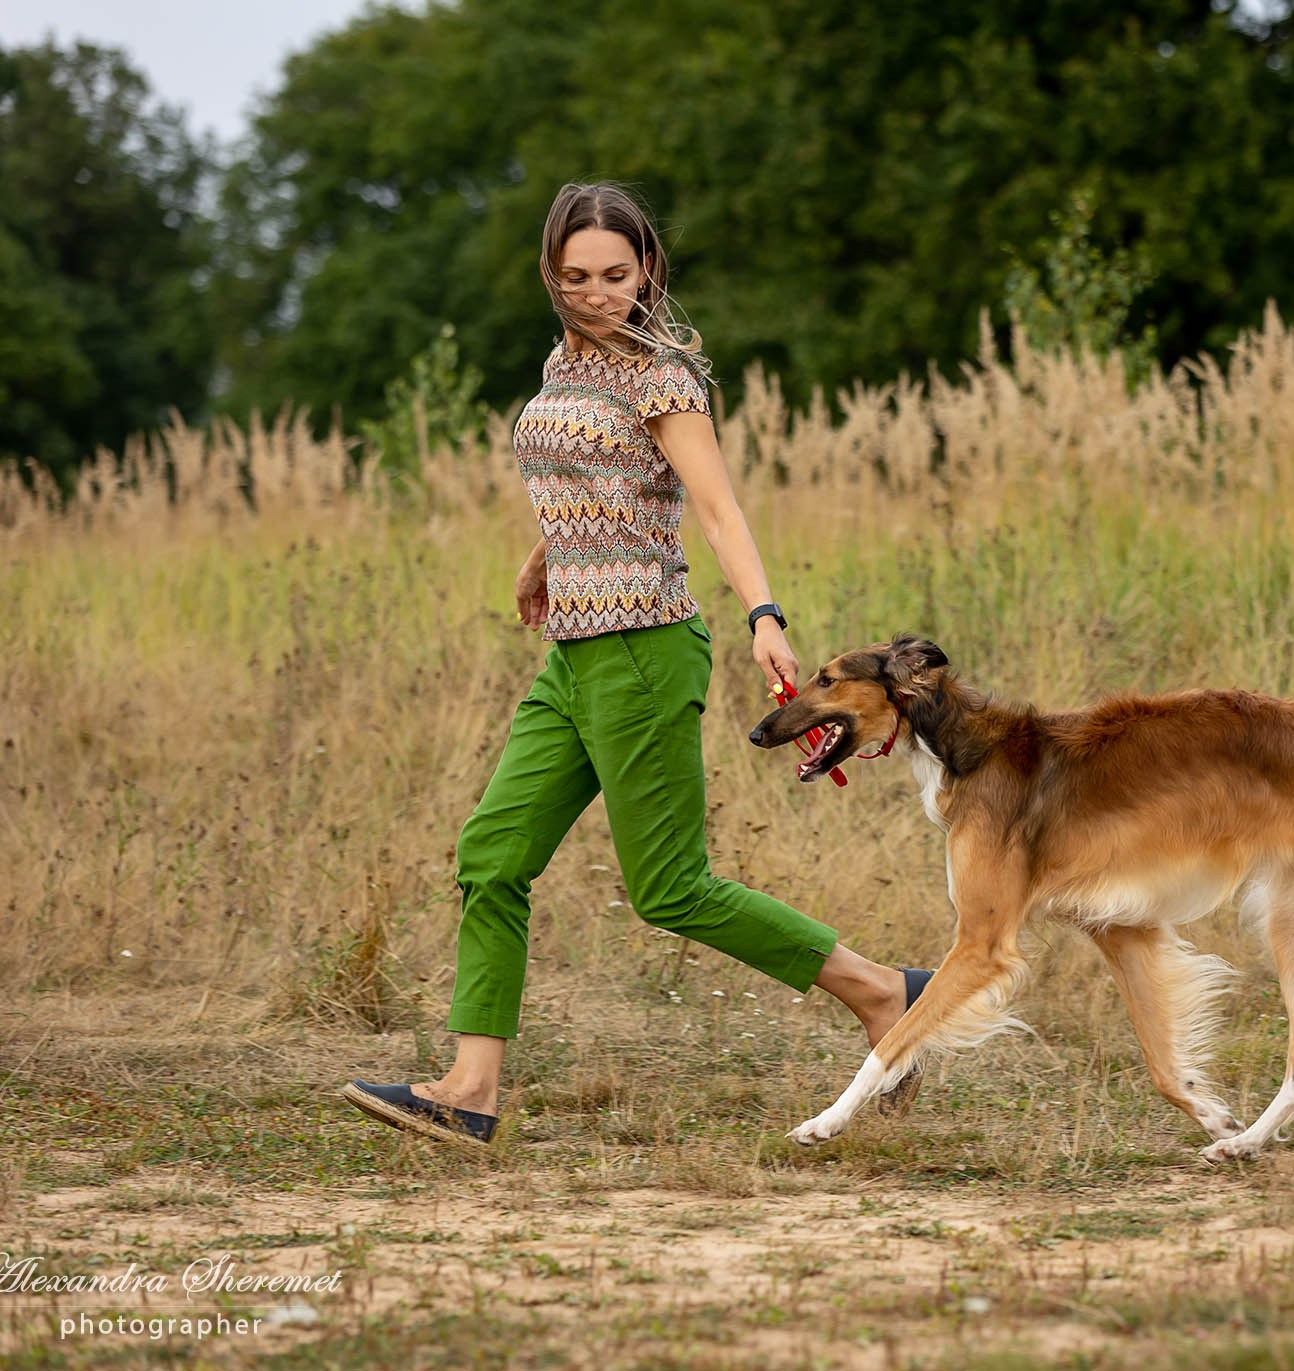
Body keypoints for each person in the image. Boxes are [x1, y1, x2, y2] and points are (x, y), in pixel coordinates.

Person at [343, 182, 927, 1146]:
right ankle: (470, 1090)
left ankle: (881, 992)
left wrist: (764, 615)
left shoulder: (661, 376)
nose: (597, 295)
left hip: (647, 650)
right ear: (549, 275)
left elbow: (716, 507)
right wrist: (546, 555)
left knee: (669, 887)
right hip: (571, 653)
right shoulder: (561, 364)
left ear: (647, 268)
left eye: (616, 275)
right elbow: (582, 476)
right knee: (492, 854)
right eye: (575, 279)